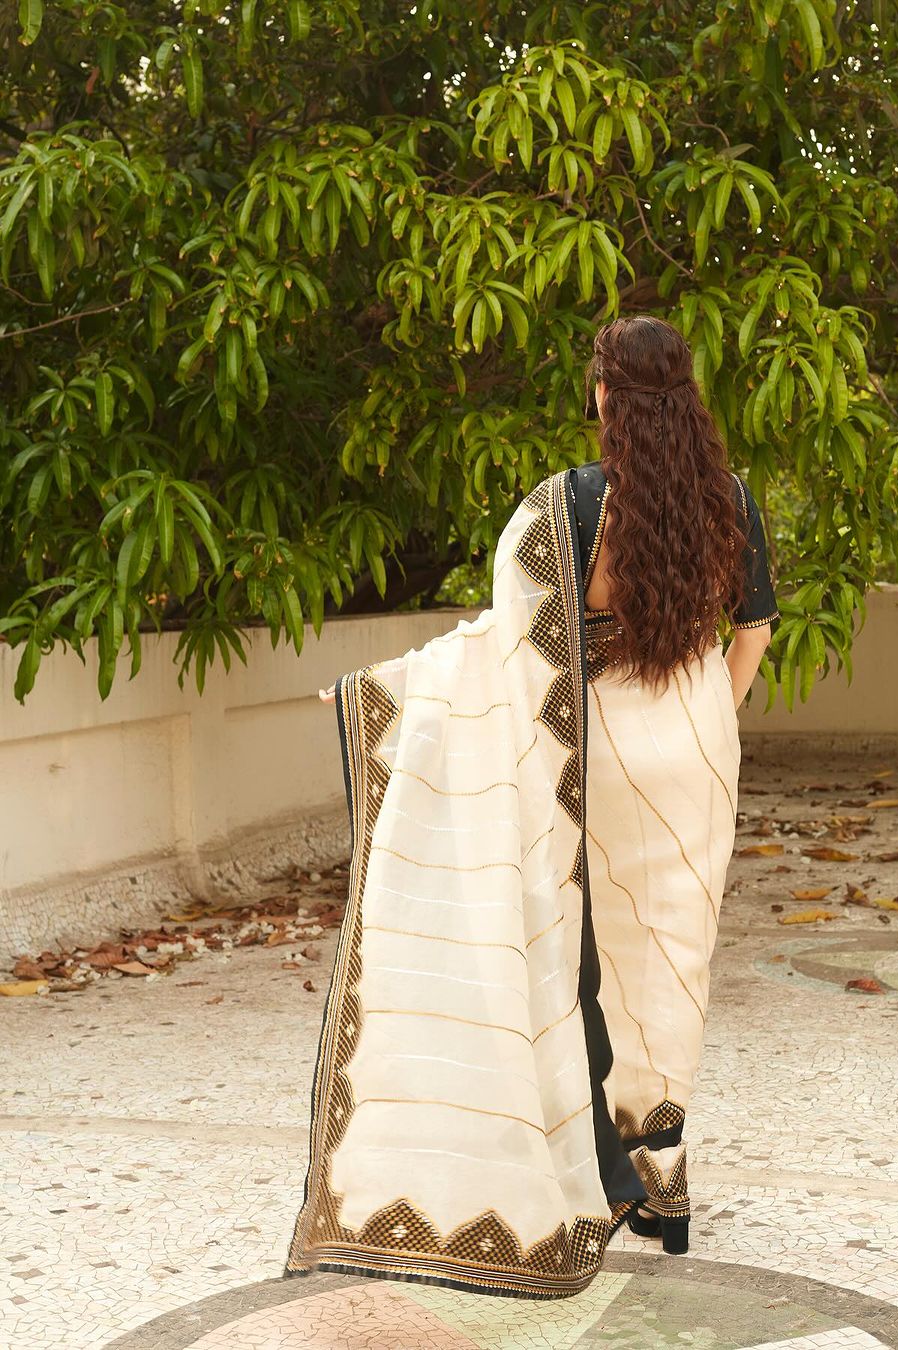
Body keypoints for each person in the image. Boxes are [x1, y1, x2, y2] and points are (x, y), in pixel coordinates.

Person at [287, 314, 779, 1299]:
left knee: (580, 959)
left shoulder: (568, 505)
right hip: (694, 752)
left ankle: (583, 1170)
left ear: (604, 395)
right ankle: (661, 1181)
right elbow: (756, 628)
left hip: (591, 752)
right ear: (684, 394)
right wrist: (707, 727)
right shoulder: (732, 499)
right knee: (668, 964)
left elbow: (500, 649)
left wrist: (381, 694)